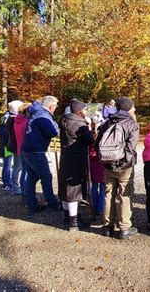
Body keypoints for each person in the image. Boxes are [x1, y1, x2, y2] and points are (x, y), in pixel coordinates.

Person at [97, 97, 139, 239]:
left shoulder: (108, 122)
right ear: (128, 108)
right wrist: (124, 161)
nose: (134, 109)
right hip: (124, 166)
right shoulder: (131, 123)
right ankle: (124, 227)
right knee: (124, 194)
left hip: (108, 163)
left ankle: (107, 226)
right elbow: (131, 146)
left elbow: (98, 142)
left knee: (108, 194)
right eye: (133, 107)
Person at [58, 99, 94, 231]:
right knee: (73, 188)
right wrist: (89, 128)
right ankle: (73, 222)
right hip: (76, 158)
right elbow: (89, 140)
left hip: (66, 157)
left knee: (65, 186)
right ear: (79, 111)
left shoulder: (64, 120)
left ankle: (67, 215)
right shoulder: (79, 124)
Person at [21, 96, 61, 214]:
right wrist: (55, 125)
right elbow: (53, 132)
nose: (56, 108)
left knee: (32, 177)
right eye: (56, 106)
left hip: (28, 148)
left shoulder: (37, 112)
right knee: (46, 176)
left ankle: (31, 204)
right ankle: (52, 203)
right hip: (35, 150)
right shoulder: (43, 115)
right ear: (51, 106)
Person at [5, 100, 24, 195]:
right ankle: (16, 187)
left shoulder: (10, 118)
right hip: (17, 145)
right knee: (17, 167)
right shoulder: (14, 119)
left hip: (14, 145)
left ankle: (17, 186)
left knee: (18, 166)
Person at [14, 103, 31, 201]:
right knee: (27, 172)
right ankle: (25, 193)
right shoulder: (25, 123)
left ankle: (24, 192)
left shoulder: (17, 121)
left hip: (20, 148)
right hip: (25, 149)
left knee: (24, 171)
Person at [0, 108, 12, 190]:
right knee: (7, 165)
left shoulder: (6, 117)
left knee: (7, 165)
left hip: (7, 146)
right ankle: (7, 183)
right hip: (7, 147)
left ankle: (7, 181)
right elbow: (4, 136)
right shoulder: (7, 118)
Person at [89, 142, 105, 218]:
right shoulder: (103, 141)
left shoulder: (90, 143)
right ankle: (100, 208)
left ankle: (95, 207)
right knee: (103, 187)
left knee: (94, 186)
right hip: (102, 165)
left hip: (93, 166)